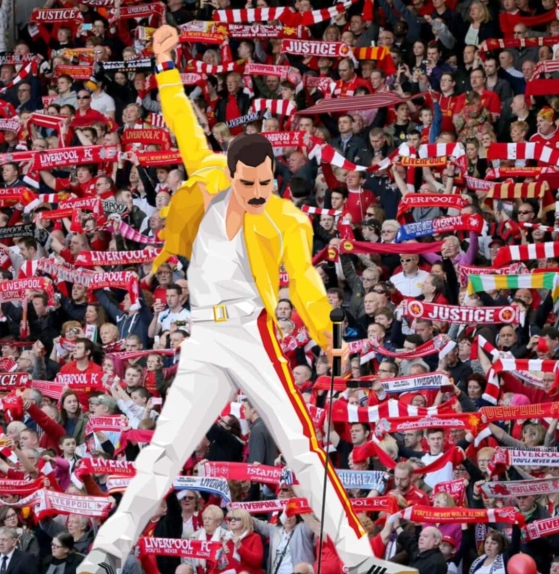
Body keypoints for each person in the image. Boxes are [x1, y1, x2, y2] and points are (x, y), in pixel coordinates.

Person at [76, 25, 409, 574]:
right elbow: (183, 122)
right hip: (203, 337)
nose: (258, 192)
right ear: (230, 174)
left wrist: (330, 336)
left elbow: (305, 281)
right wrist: (165, 68)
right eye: (248, 183)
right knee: (165, 447)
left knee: (302, 447)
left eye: (266, 183)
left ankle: (358, 559)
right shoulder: (207, 177)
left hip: (252, 333)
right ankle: (107, 551)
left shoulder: (288, 219)